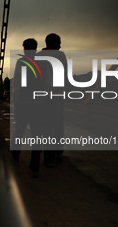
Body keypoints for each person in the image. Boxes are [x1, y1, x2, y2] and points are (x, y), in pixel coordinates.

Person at [34, 33, 67, 168]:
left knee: (46, 126)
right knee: (58, 124)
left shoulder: (37, 56)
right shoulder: (60, 55)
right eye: (59, 42)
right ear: (53, 43)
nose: (60, 45)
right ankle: (58, 153)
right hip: (57, 96)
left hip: (42, 97)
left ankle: (48, 158)